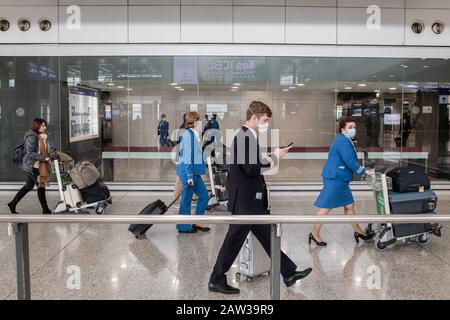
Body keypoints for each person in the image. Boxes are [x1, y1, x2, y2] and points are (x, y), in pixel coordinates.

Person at [209, 101, 312, 295]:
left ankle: (289, 273)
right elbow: (252, 169)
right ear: (254, 117)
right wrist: (275, 156)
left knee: (267, 237)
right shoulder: (245, 137)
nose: (265, 124)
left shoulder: (247, 136)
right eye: (264, 120)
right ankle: (216, 279)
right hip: (246, 202)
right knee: (233, 241)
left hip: (251, 201)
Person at [309, 116, 374, 246]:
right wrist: (363, 171)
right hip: (335, 178)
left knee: (349, 206)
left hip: (340, 178)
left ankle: (358, 231)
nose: (353, 129)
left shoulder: (346, 139)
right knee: (326, 207)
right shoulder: (342, 141)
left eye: (354, 127)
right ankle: (314, 233)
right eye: (350, 127)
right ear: (343, 129)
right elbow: (349, 160)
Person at [7, 118, 58, 214]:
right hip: (31, 165)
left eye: (45, 125)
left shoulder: (41, 136)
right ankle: (45, 209)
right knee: (40, 186)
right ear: (37, 126)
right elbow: (30, 152)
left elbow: (41, 150)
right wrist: (45, 158)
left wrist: (49, 154)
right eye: (43, 125)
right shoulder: (32, 137)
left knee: (28, 186)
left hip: (38, 164)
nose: (45, 127)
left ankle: (12, 203)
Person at [176, 111, 210, 234]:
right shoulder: (188, 135)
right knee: (186, 199)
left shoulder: (193, 135)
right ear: (195, 122)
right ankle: (183, 227)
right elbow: (187, 157)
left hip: (193, 172)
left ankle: (196, 222)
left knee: (204, 196)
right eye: (199, 120)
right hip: (188, 173)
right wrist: (189, 176)